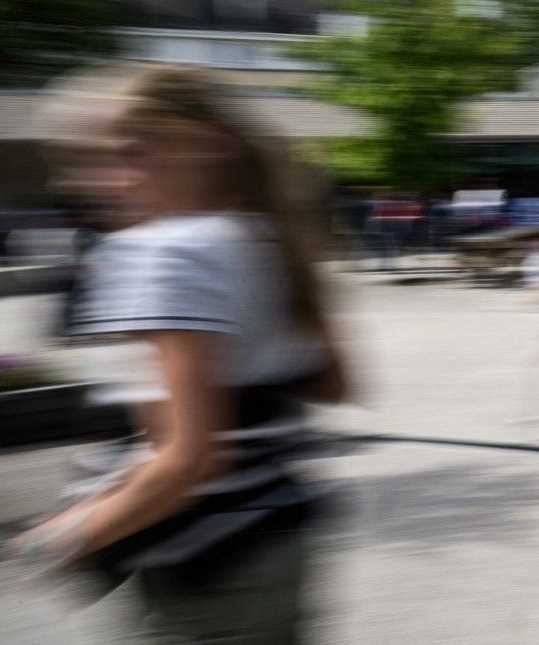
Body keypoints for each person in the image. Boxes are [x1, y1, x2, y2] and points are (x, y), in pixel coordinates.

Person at [11, 64, 349, 642]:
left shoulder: (160, 252)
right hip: (279, 548)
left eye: (130, 153)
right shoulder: (268, 236)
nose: (104, 180)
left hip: (200, 568)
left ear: (208, 144)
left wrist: (52, 542)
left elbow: (186, 462)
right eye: (88, 161)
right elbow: (335, 383)